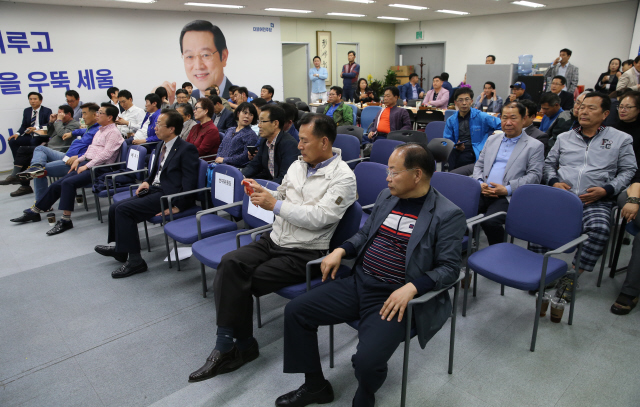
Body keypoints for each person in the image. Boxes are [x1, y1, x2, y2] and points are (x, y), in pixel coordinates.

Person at [276, 143, 465, 407]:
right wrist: (341, 249)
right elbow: (365, 234)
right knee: (296, 311)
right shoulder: (386, 196)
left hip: (392, 298)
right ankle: (315, 386)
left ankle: (366, 393)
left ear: (417, 175)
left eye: (394, 172)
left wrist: (412, 288)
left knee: (366, 361)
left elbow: (450, 269)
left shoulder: (447, 214)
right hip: (359, 281)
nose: (387, 178)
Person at [188, 113, 357, 384]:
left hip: (305, 250)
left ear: (324, 142)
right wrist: (263, 192)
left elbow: (319, 218)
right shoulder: (299, 165)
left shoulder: (343, 178)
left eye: (304, 141)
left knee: (240, 282)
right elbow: (283, 194)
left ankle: (237, 347)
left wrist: (275, 205)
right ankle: (233, 345)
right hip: (275, 238)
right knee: (230, 263)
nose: (298, 146)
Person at [538, 92, 636, 302]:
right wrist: (554, 181)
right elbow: (548, 164)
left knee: (600, 230)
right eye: (581, 106)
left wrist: (608, 189)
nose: (583, 111)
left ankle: (572, 275)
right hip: (562, 196)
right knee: (535, 221)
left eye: (591, 108)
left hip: (595, 199)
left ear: (605, 114)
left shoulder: (621, 139)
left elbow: (628, 171)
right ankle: (542, 270)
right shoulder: (565, 137)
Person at [95, 109, 200, 278]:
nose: (155, 128)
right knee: (115, 207)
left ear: (172, 128)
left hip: (167, 195)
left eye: (159, 124)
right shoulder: (161, 144)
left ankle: (136, 261)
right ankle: (121, 250)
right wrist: (147, 181)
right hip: (155, 189)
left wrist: (178, 206)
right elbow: (156, 171)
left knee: (124, 211)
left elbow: (189, 183)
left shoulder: (186, 149)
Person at [10, 104, 124, 235]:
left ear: (109, 117)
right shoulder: (101, 130)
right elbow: (91, 150)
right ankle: (35, 211)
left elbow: (106, 155)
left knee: (67, 183)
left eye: (100, 113)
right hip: (88, 164)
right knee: (57, 184)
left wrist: (86, 166)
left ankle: (66, 220)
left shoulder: (113, 132)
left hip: (100, 169)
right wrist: (79, 160)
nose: (97, 115)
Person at [472, 102, 544, 245]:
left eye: (513, 118)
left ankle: (499, 251)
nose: (508, 122)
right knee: (460, 213)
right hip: (483, 190)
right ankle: (469, 247)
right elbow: (479, 165)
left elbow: (535, 176)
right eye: (504, 118)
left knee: (489, 222)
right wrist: (480, 184)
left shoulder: (534, 145)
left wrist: (507, 189)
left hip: (508, 196)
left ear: (524, 119)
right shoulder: (492, 139)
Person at [18, 103, 101, 202]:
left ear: (95, 115)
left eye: (84, 114)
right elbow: (82, 131)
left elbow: (99, 152)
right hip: (67, 155)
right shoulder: (91, 127)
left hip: (74, 162)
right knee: (40, 149)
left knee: (40, 172)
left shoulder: (99, 131)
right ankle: (36, 166)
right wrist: (72, 133)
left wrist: (79, 157)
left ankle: (41, 202)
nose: (82, 117)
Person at [8, 105, 80, 197]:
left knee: (27, 152)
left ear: (69, 114)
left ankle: (16, 177)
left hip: (59, 150)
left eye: (60, 114)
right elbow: (48, 133)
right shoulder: (60, 123)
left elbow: (62, 134)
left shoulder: (74, 124)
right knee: (25, 156)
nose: (58, 116)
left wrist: (58, 121)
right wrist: (51, 122)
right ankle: (23, 184)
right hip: (50, 148)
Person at [1, 92, 53, 185]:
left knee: (33, 142)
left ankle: (25, 166)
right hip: (29, 135)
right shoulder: (27, 111)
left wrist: (36, 128)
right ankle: (19, 163)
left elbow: (48, 124)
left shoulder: (47, 110)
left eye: (35, 99)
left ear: (40, 101)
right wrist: (17, 133)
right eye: (30, 99)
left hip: (40, 136)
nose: (32, 101)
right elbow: (24, 125)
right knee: (13, 141)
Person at [444, 88, 501, 170]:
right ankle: (452, 178)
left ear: (471, 101)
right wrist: (455, 146)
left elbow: (501, 124)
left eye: (467, 99)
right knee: (450, 156)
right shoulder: (451, 120)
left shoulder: (481, 116)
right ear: (456, 103)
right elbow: (447, 141)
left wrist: (496, 135)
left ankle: (454, 177)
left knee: (461, 161)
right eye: (460, 100)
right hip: (457, 149)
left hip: (475, 149)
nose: (464, 103)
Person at [241, 104, 298, 184]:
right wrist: (240, 176)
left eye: (262, 121)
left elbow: (285, 178)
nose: (259, 125)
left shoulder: (289, 144)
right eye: (259, 121)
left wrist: (265, 188)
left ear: (275, 123)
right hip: (269, 182)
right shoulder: (264, 141)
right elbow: (254, 165)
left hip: (281, 189)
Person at [214, 102, 259, 167]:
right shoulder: (230, 130)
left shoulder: (251, 135)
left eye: (251, 114)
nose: (247, 116)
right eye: (245, 113)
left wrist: (224, 160)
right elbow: (221, 147)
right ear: (238, 114)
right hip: (220, 165)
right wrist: (218, 158)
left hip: (235, 168)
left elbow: (245, 157)